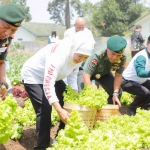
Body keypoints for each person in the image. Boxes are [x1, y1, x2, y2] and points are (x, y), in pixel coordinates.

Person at [21, 31, 94, 150]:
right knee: (44, 107)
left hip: (54, 77)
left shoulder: (79, 55)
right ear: (73, 49)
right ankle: (42, 147)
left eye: (85, 57)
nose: (81, 59)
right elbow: (48, 83)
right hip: (33, 76)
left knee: (67, 102)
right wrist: (59, 110)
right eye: (80, 56)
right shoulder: (59, 55)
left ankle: (59, 137)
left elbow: (72, 76)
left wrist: (73, 97)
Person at [79, 35, 127, 107]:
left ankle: (106, 114)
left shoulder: (123, 58)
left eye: (118, 55)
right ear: (107, 48)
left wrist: (115, 93)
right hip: (86, 72)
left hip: (103, 73)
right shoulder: (97, 55)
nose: (115, 58)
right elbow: (86, 77)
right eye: (113, 54)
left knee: (117, 92)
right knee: (84, 94)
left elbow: (118, 76)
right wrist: (91, 94)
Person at [0, 3, 25, 99]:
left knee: (8, 88)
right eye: (6, 27)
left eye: (13, 30)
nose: (7, 33)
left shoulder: (6, 40)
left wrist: (3, 84)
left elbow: (1, 62)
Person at [64, 17, 96, 89]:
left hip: (83, 58)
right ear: (74, 25)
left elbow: (92, 44)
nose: (81, 29)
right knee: (71, 76)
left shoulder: (88, 32)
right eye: (79, 27)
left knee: (81, 75)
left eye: (83, 27)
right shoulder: (68, 32)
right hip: (73, 58)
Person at [122, 36, 150, 116]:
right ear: (147, 44)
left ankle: (144, 108)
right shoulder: (142, 56)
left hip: (140, 81)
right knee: (145, 92)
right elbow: (140, 73)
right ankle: (132, 108)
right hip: (127, 81)